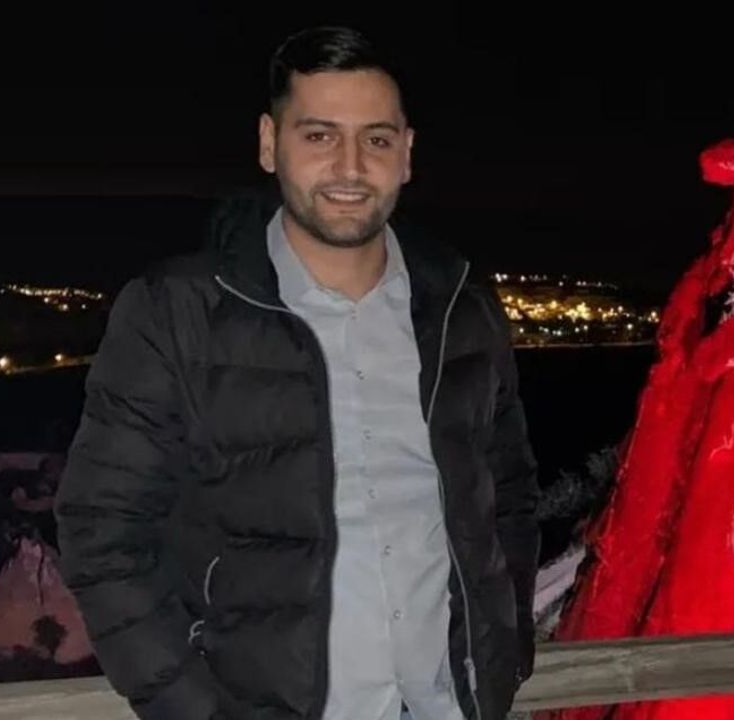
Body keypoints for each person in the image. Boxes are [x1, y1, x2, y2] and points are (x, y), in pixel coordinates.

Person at [54, 26, 540, 720]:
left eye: (376, 139)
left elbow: (508, 497)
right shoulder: (178, 312)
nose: (350, 167)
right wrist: (194, 708)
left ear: (406, 153)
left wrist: (504, 653)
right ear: (268, 143)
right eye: (319, 136)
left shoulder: (461, 307)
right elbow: (102, 532)